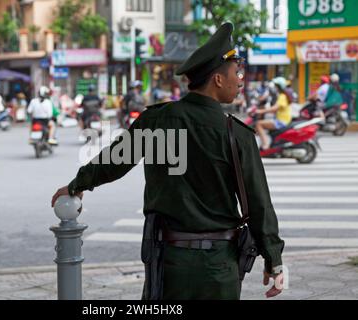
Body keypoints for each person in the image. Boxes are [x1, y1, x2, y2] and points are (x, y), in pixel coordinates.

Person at [51, 22, 284, 300]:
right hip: (219, 268)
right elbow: (259, 203)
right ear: (218, 80)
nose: (241, 80)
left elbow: (114, 161)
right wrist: (273, 259)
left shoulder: (156, 120)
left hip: (168, 263)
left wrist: (77, 184)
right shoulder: (237, 134)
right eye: (237, 72)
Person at [255, 77, 292, 150]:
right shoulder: (281, 95)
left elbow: (274, 108)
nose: (274, 87)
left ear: (278, 87)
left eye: (275, 86)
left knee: (258, 124)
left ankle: (265, 144)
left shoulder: (282, 96)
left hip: (281, 121)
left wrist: (260, 111)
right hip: (280, 119)